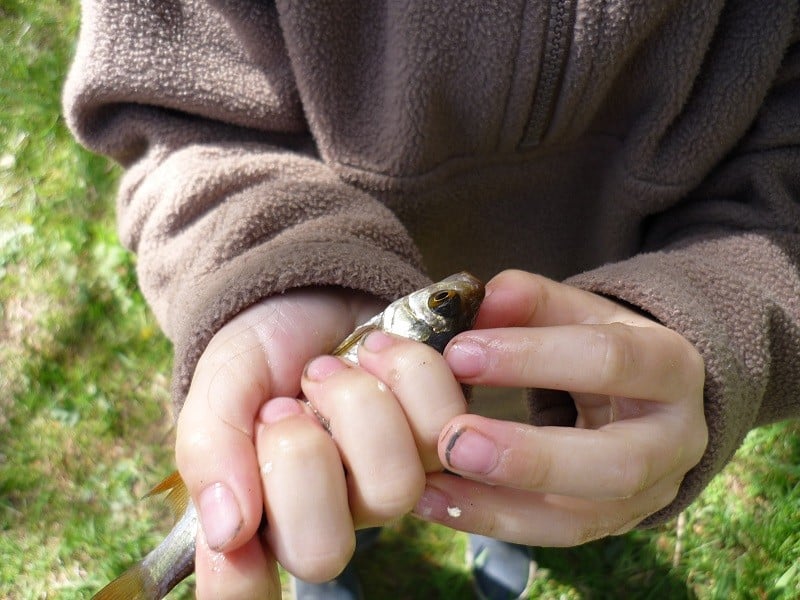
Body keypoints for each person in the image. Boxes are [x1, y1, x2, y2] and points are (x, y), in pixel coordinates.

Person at [64, 1, 800, 598]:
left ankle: (492, 514)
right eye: (443, 303)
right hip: (328, 356)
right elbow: (174, 122)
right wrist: (279, 269)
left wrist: (700, 321)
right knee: (323, 483)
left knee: (486, 448)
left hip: (550, 381)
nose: (453, 292)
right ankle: (326, 541)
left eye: (444, 304)